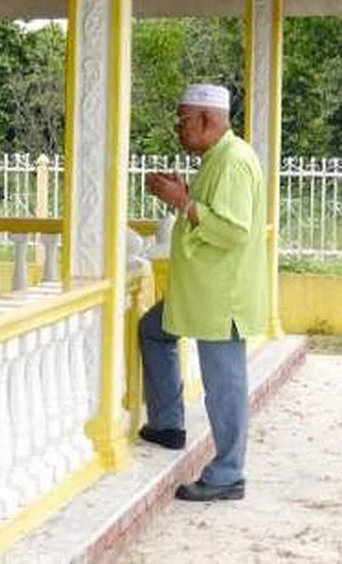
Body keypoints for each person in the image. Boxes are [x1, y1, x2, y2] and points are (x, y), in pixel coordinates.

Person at [140, 83, 267, 502]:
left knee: (224, 384)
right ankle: (168, 424)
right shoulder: (217, 158)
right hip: (201, 291)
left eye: (183, 120)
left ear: (209, 120)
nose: (179, 129)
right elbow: (213, 209)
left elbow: (232, 229)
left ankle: (228, 473)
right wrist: (186, 195)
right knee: (153, 330)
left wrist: (183, 202)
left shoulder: (233, 161)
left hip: (220, 297)